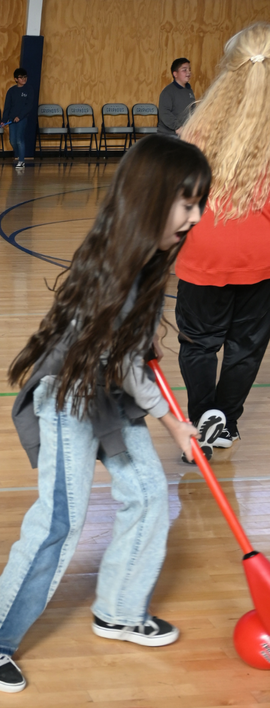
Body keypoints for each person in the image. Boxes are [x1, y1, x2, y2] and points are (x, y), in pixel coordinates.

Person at [0, 135, 213, 694]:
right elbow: (119, 360)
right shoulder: (119, 261)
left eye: (199, 204)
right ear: (150, 199)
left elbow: (128, 352)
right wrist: (175, 423)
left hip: (109, 389)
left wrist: (147, 347)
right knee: (58, 521)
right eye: (186, 202)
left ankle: (120, 609)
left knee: (147, 493)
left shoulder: (148, 254)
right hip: (71, 395)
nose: (194, 216)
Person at [174, 23, 270, 448]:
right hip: (259, 259)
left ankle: (204, 419)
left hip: (203, 254)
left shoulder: (196, 129)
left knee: (198, 343)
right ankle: (225, 422)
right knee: (246, 348)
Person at [3, 68, 34, 169]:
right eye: (21, 77)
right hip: (12, 120)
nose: (24, 79)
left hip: (22, 119)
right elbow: (7, 106)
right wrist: (4, 120)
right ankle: (19, 154)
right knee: (12, 140)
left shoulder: (29, 90)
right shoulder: (11, 91)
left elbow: (28, 106)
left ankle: (21, 161)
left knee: (19, 139)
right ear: (16, 79)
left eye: (25, 77)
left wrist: (20, 117)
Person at [158, 57, 196, 136]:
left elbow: (193, 110)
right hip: (169, 134)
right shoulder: (168, 92)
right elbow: (164, 113)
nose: (188, 72)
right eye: (184, 70)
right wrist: (177, 127)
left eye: (189, 69)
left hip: (186, 133)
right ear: (175, 74)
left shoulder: (189, 90)